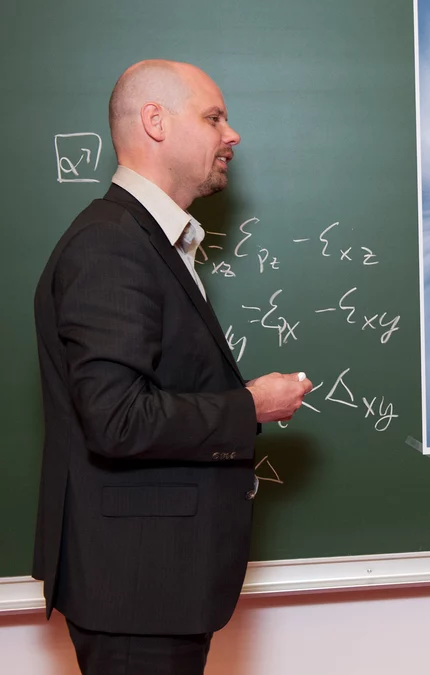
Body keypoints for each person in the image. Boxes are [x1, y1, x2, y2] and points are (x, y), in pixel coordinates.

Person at [33, 59, 312, 674]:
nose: (232, 134)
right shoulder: (112, 243)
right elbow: (116, 418)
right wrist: (250, 406)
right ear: (154, 122)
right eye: (214, 117)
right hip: (138, 589)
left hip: (154, 586)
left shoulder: (149, 239)